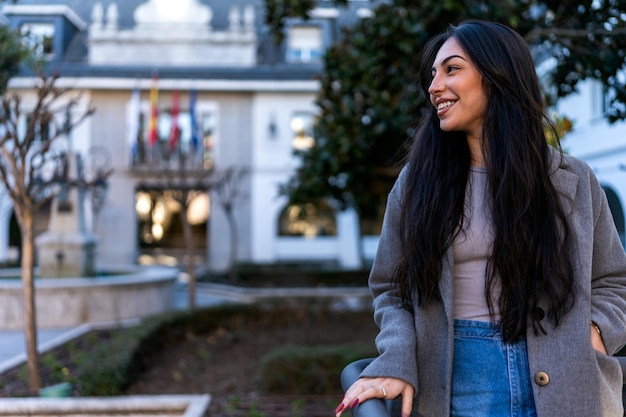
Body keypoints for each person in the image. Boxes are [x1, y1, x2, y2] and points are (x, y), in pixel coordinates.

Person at [335, 20, 626, 417]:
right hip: (458, 383)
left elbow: (614, 280)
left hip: (569, 384)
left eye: (451, 69)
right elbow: (392, 288)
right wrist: (397, 359)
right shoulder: (417, 184)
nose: (434, 86)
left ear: (498, 76)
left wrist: (592, 335)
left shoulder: (573, 180)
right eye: (433, 74)